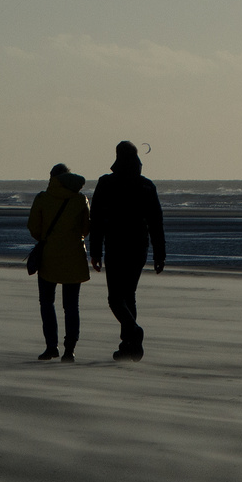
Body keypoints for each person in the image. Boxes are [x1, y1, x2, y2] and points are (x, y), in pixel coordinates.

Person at [89, 141, 165, 362]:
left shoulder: (107, 183)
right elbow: (156, 222)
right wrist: (160, 255)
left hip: (116, 245)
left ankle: (133, 332)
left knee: (115, 298)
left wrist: (95, 251)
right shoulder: (146, 185)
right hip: (139, 246)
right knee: (128, 295)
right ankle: (129, 344)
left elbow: (97, 220)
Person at [27, 164, 90, 362]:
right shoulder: (80, 199)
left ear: (53, 178)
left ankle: (51, 346)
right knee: (71, 306)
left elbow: (34, 228)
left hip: (49, 258)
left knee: (47, 303)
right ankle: (69, 350)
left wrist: (47, 237)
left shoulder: (43, 198)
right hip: (74, 258)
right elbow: (86, 229)